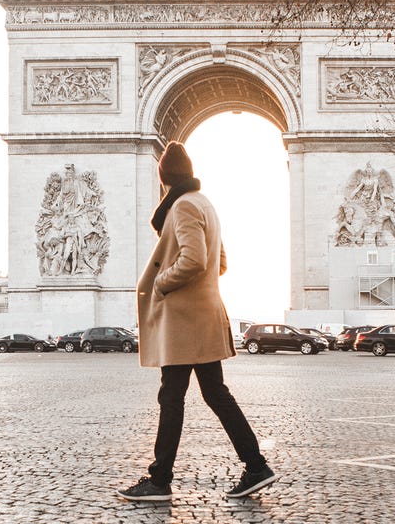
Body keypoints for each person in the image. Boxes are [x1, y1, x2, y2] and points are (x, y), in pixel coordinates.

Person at [117, 141, 278, 502]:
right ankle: (255, 465)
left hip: (184, 320)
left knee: (172, 396)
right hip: (203, 315)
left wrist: (162, 283)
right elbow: (219, 262)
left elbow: (195, 260)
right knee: (214, 394)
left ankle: (159, 481)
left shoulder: (184, 205)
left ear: (163, 180)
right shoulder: (205, 203)